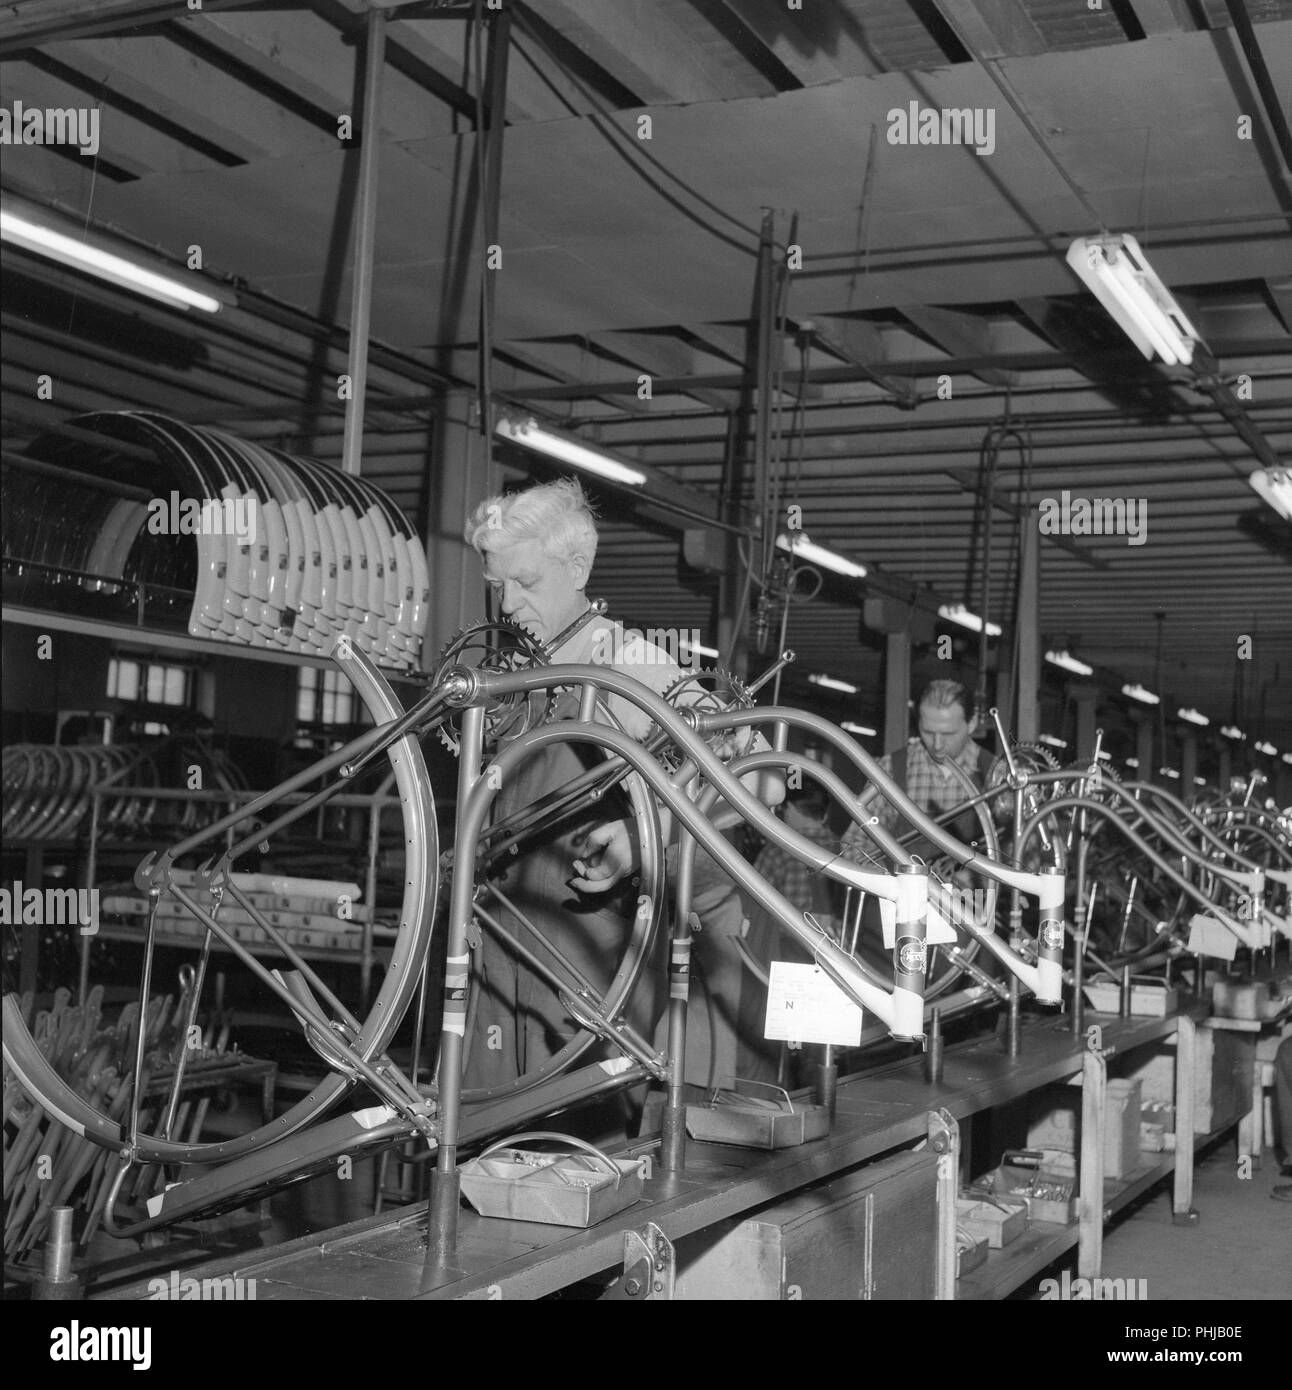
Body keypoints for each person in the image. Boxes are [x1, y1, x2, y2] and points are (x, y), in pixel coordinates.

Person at [459, 478, 779, 1100]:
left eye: (525, 583)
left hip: (583, 973)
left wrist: (645, 833)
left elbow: (761, 776)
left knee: (575, 1153)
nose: (507, 606)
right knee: (484, 1153)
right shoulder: (520, 671)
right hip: (502, 959)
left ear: (577, 567)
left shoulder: (624, 663)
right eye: (498, 587)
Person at [842, 678, 994, 864]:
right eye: (928, 732)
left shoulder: (996, 774)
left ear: (971, 723)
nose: (937, 745)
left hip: (976, 893)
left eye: (948, 734)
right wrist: (891, 885)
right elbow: (855, 843)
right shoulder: (891, 769)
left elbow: (1027, 858)